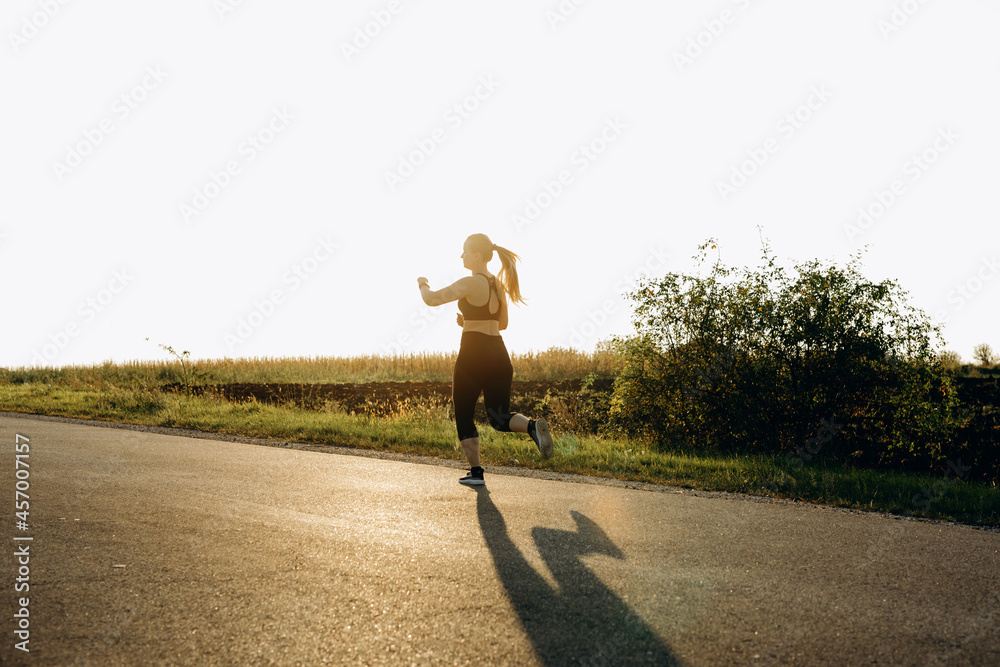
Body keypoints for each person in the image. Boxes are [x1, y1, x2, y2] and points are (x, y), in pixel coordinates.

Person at [417, 233, 553, 486]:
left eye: (465, 251)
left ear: (477, 255)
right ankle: (532, 427)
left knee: (464, 413)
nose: (462, 256)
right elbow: (501, 324)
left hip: (473, 353)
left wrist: (422, 283)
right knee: (499, 416)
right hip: (498, 353)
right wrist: (468, 320)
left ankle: (476, 472)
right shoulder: (498, 285)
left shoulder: (471, 283)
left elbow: (432, 299)